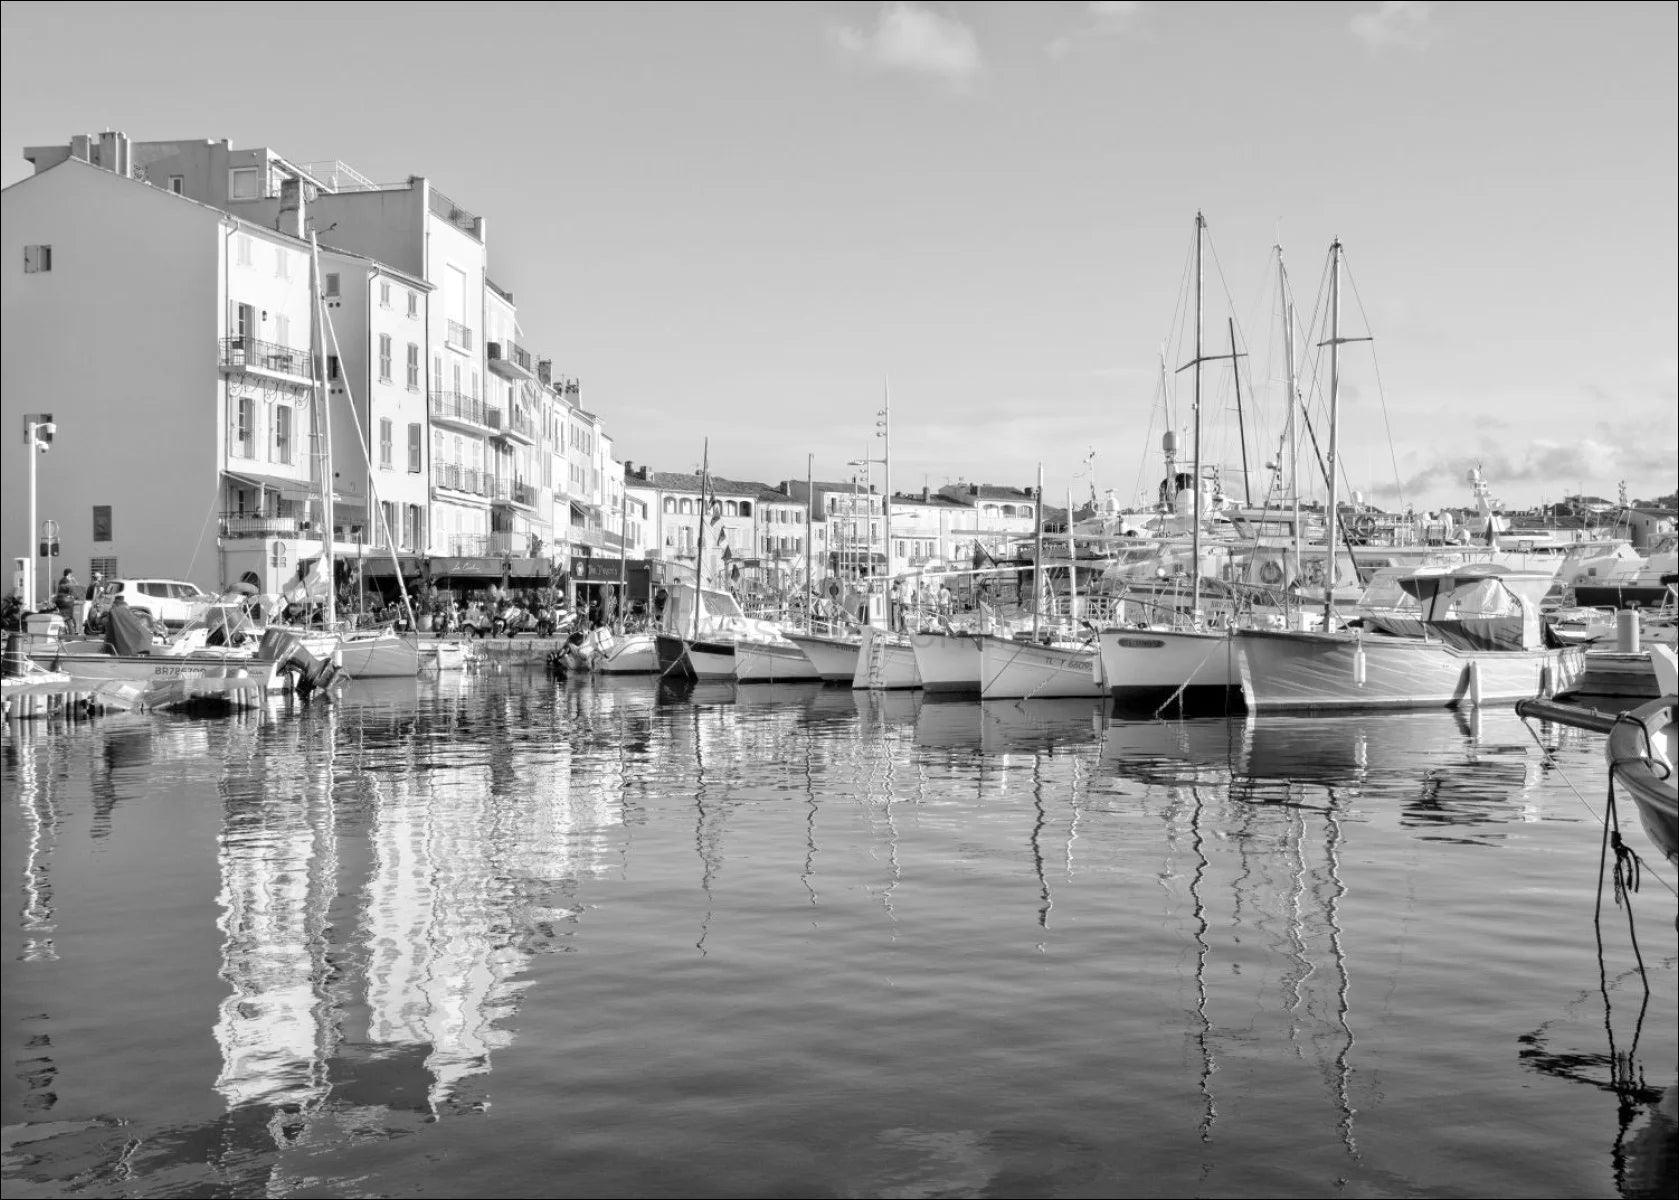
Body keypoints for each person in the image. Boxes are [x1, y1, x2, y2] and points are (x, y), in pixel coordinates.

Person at [54, 568, 81, 637]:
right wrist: (74, 582)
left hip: (60, 600)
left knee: (64, 616)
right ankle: (72, 632)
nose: (72, 575)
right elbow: (73, 590)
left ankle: (69, 631)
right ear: (69, 574)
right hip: (66, 601)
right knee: (69, 617)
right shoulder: (67, 581)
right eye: (71, 574)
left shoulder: (61, 580)